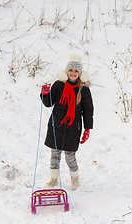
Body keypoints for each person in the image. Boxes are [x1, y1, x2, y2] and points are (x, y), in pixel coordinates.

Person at [40, 53, 94, 190]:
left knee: (70, 157)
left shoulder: (84, 89)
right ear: (67, 71)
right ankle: (53, 179)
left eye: (76, 71)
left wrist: (87, 129)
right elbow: (48, 103)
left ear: (79, 73)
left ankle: (75, 179)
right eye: (70, 70)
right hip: (56, 125)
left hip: (73, 128)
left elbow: (88, 111)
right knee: (55, 155)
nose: (73, 73)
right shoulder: (59, 85)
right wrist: (45, 94)